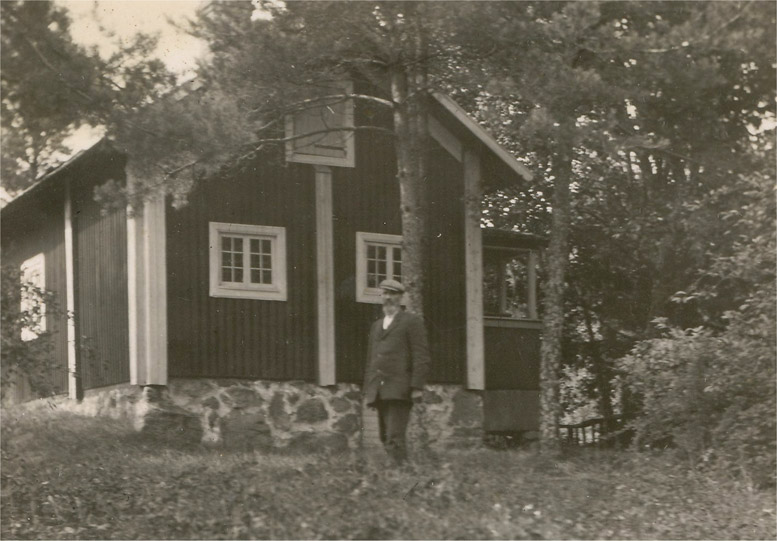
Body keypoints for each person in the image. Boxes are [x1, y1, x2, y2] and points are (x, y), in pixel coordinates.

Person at [363, 279, 430, 464]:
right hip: (379, 388)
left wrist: (417, 386)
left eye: (392, 294)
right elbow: (371, 358)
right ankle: (398, 471)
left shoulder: (411, 322)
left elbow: (421, 355)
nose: (388, 298)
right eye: (385, 294)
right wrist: (369, 389)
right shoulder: (377, 326)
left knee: (395, 437)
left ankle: (400, 473)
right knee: (384, 437)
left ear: (401, 298)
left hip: (399, 388)